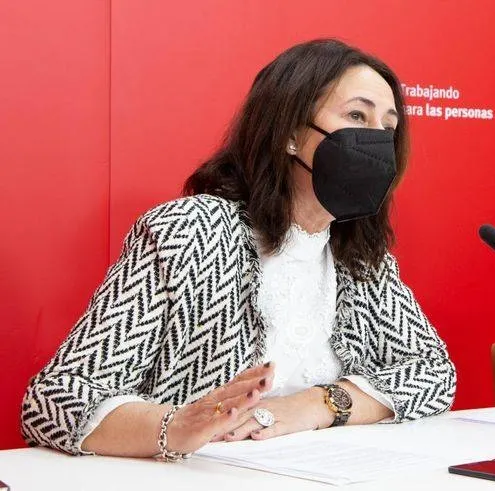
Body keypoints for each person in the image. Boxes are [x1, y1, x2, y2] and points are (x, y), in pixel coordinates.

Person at [21, 39, 457, 459]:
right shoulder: (189, 231)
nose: (377, 142)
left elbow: (433, 373)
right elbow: (55, 400)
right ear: (289, 132)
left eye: (388, 127)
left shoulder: (362, 259)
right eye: (357, 116)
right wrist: (173, 426)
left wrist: (321, 404)